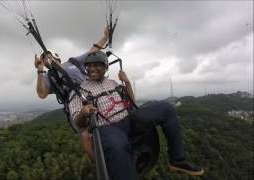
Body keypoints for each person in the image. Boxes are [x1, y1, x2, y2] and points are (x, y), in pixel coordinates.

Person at [68, 51, 204, 180]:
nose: (92, 68)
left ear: (105, 67)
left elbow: (131, 102)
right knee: (117, 145)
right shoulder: (79, 91)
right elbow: (78, 123)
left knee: (166, 109)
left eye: (96, 65)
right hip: (108, 128)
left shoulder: (112, 83)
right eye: (89, 66)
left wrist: (126, 82)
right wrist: (83, 112)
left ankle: (177, 160)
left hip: (129, 119)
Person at [34, 27, 110, 160]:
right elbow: (41, 94)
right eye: (44, 59)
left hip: (92, 92)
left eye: (47, 56)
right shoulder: (48, 77)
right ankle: (102, 166)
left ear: (56, 55)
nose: (46, 59)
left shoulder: (72, 62)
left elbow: (92, 51)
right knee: (86, 136)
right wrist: (40, 71)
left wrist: (105, 37)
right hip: (74, 104)